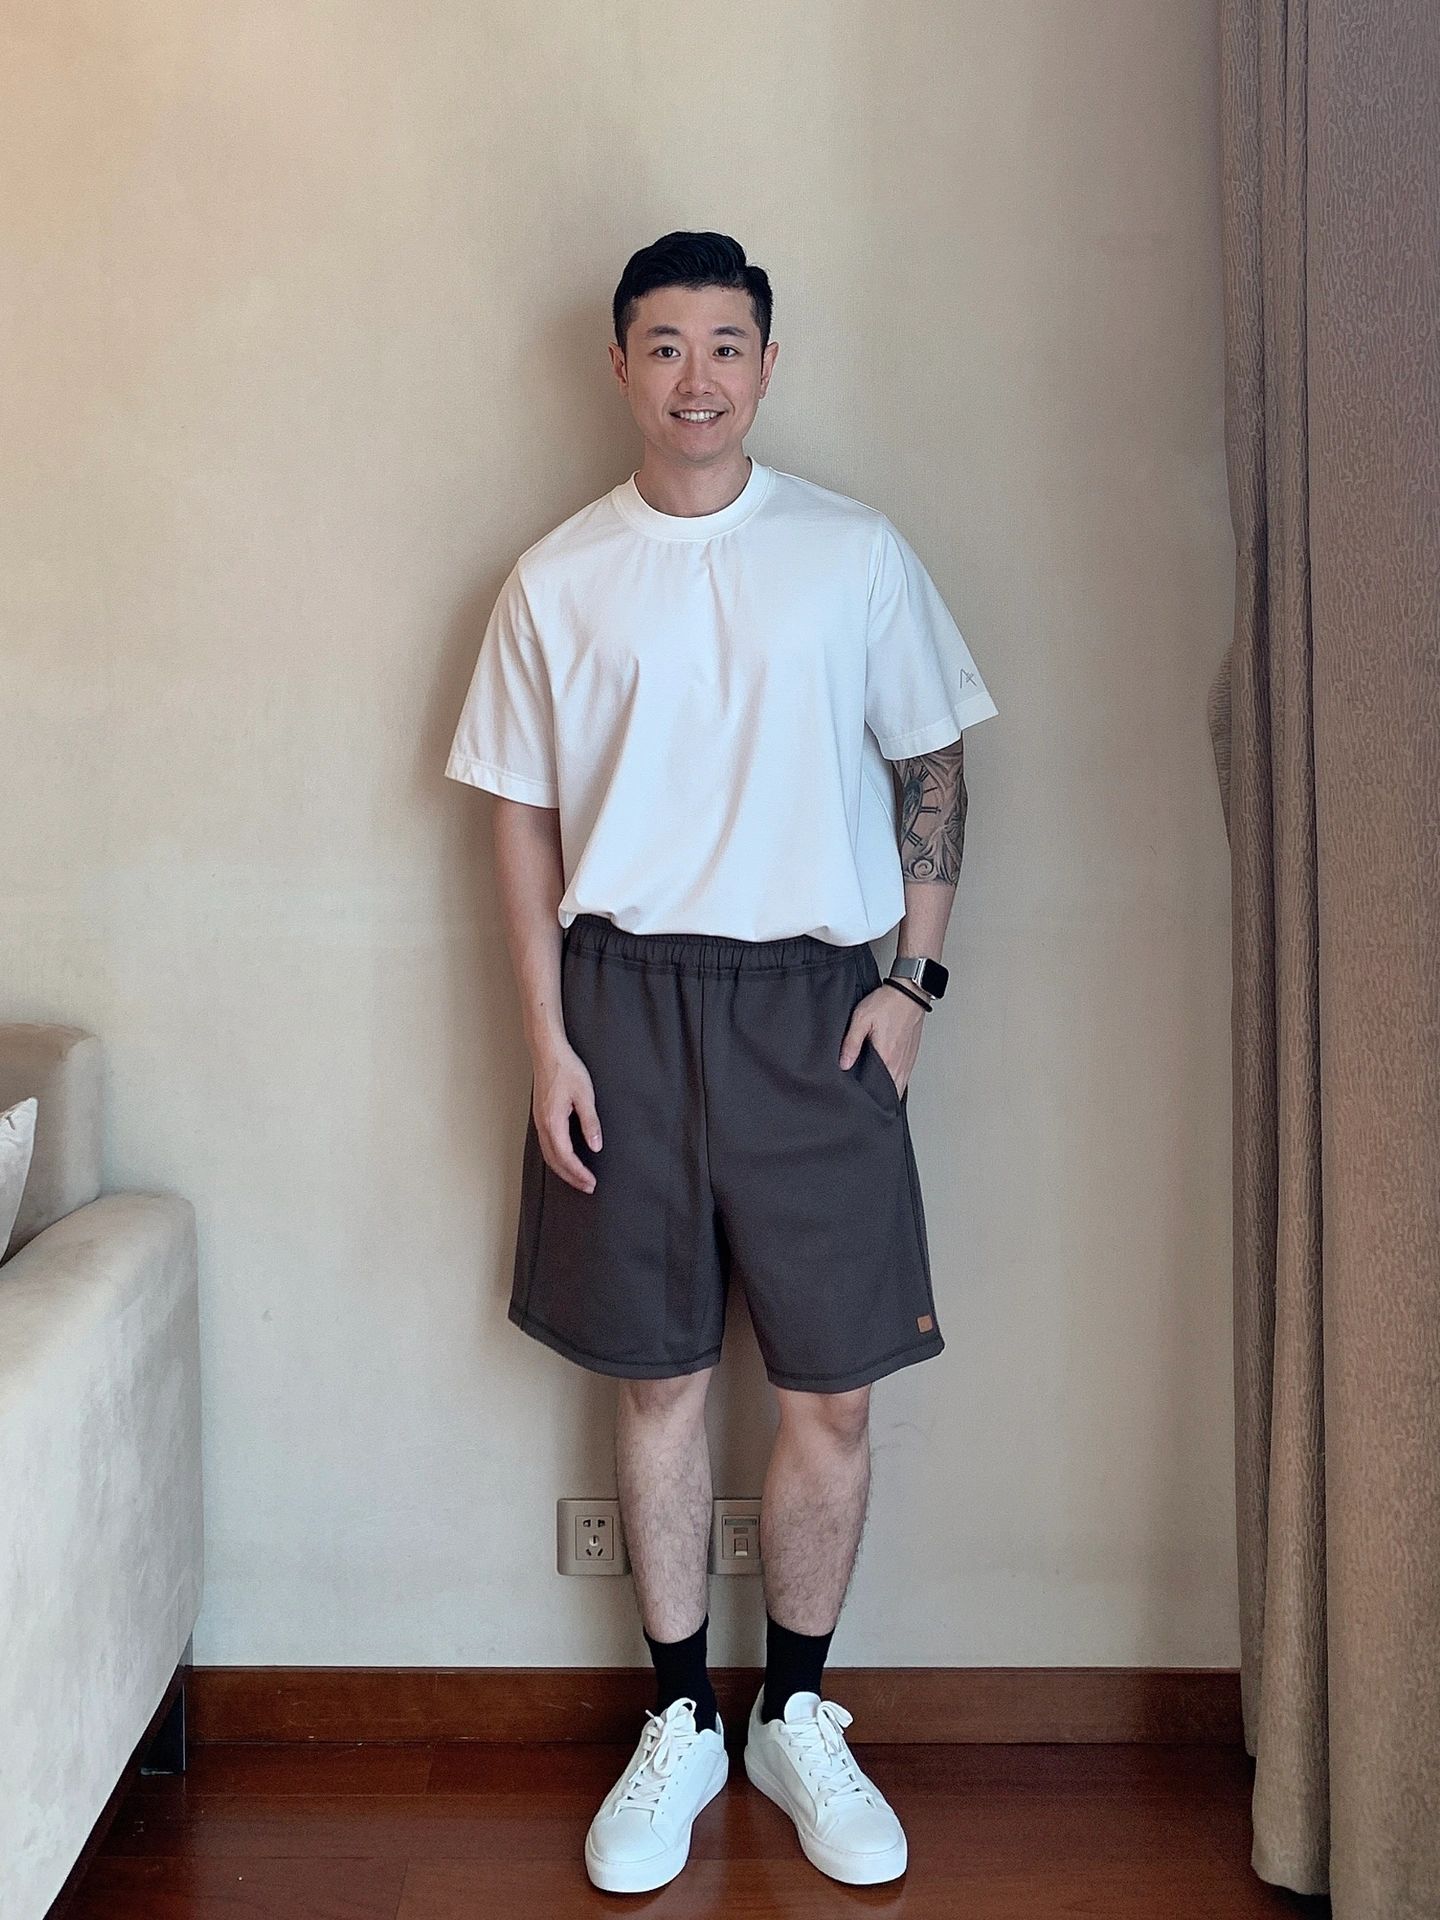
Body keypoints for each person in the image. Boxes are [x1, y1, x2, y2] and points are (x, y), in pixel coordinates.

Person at [444, 231, 998, 1893]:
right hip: (621, 999)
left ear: (768, 363)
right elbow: (519, 817)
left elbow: (936, 765)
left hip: (815, 1004)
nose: (699, 376)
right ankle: (683, 1717)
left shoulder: (853, 553)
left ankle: (796, 1715)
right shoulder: (556, 579)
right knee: (659, 1376)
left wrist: (912, 988)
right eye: (668, 345)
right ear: (621, 366)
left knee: (833, 1387)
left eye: (729, 344)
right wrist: (546, 1037)